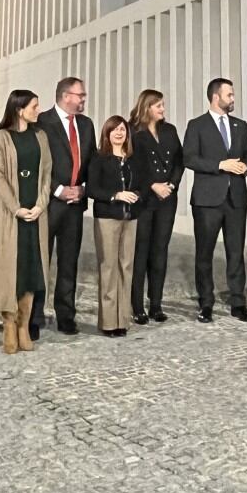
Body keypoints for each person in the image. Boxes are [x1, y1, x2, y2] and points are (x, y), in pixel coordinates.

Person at [183, 77, 247, 323]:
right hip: (207, 200)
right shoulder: (197, 125)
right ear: (216, 97)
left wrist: (245, 166)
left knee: (236, 253)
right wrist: (219, 165)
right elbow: (189, 158)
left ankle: (238, 302)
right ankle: (206, 303)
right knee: (204, 253)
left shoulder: (240, 125)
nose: (233, 98)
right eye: (229, 95)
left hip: (236, 198)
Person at [0, 89, 51, 354]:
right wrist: (16, 208)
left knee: (32, 270)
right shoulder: (1, 138)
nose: (38, 110)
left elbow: (46, 173)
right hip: (11, 216)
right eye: (34, 106)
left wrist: (40, 205)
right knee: (10, 270)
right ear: (19, 109)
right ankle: (9, 324)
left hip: (36, 215)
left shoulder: (41, 136)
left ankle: (24, 324)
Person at [32, 77, 95, 337]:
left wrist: (84, 188)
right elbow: (37, 163)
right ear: (65, 96)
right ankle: (34, 315)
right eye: (80, 95)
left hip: (75, 206)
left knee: (69, 262)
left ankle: (66, 315)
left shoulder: (86, 124)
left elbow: (92, 162)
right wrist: (58, 189)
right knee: (40, 260)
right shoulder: (42, 123)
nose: (83, 99)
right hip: (49, 203)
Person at [129, 89, 183, 324]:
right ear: (147, 107)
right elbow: (132, 164)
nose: (163, 109)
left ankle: (156, 304)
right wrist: (152, 185)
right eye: (158, 105)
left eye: (163, 105)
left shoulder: (169, 130)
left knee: (160, 250)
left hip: (167, 199)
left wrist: (171, 184)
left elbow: (179, 160)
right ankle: (137, 305)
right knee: (140, 252)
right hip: (144, 199)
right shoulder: (133, 131)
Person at [87, 116, 143, 337]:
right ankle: (109, 322)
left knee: (126, 267)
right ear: (107, 133)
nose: (119, 133)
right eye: (115, 129)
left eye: (122, 129)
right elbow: (92, 189)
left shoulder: (133, 159)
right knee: (109, 268)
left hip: (130, 218)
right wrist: (115, 195)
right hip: (107, 218)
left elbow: (142, 184)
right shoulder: (99, 158)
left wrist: (136, 194)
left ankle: (123, 320)